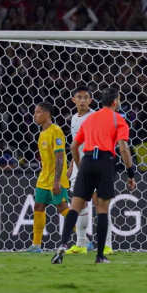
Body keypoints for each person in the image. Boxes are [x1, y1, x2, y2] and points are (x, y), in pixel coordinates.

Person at [51, 88, 136, 264]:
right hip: (105, 160)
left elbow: (74, 147)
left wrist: (81, 167)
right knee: (102, 209)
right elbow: (123, 148)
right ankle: (100, 256)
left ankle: (62, 245)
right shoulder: (118, 119)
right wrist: (130, 173)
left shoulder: (89, 119)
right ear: (115, 102)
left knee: (75, 207)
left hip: (87, 160)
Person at [65, 86, 114, 255]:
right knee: (79, 204)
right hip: (79, 165)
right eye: (79, 97)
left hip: (92, 164)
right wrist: (72, 165)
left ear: (91, 100)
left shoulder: (94, 117)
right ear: (73, 100)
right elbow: (75, 145)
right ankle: (81, 244)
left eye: (86, 97)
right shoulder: (73, 118)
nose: (83, 100)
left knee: (99, 203)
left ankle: (107, 245)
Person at [26, 102, 70, 252]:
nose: (35, 115)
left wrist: (57, 180)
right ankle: (36, 245)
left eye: (37, 112)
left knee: (62, 208)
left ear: (47, 114)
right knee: (38, 206)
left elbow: (60, 157)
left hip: (55, 179)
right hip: (43, 178)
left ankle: (84, 239)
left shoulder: (56, 131)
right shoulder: (42, 134)